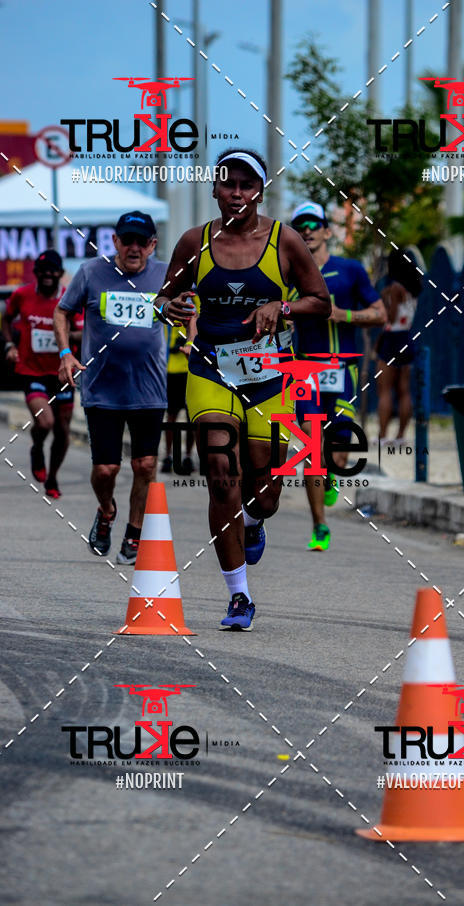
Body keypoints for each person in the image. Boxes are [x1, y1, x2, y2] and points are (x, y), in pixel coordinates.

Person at [155, 149, 330, 631]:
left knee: (265, 496)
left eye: (246, 183)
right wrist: (170, 305)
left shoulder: (285, 240)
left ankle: (252, 523)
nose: (237, 191)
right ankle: (238, 597)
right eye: (228, 183)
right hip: (210, 372)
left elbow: (321, 301)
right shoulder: (195, 241)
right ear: (214, 190)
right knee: (219, 473)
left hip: (269, 378)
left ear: (260, 189)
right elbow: (164, 296)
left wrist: (284, 308)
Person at [53, 211, 167, 564]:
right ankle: (106, 511)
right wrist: (65, 354)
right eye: (126, 240)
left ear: (152, 244)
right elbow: (62, 312)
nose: (133, 248)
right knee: (106, 470)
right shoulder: (91, 271)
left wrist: (191, 338)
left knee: (145, 465)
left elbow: (190, 307)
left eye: (141, 241)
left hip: (149, 388)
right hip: (103, 389)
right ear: (115, 241)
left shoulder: (165, 274)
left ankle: (134, 532)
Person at [289, 201, 386, 552]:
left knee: (340, 452)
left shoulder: (350, 270)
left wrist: (343, 315)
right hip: (306, 371)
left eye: (314, 224)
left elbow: (380, 314)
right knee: (313, 449)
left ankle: (331, 472)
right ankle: (319, 527)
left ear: (328, 232)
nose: (308, 230)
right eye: (300, 226)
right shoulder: (289, 275)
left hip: (344, 370)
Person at [2, 250, 79, 499]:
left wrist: (63, 335)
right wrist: (10, 345)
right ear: (36, 272)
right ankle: (37, 446)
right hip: (31, 370)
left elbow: (83, 331)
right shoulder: (22, 295)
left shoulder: (70, 298)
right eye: (42, 270)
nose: (47, 274)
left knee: (63, 431)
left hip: (62, 373)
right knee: (45, 421)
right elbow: (6, 319)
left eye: (52, 270)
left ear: (59, 273)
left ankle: (53, 476)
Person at [376, 248, 422, 444]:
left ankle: (383, 435)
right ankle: (401, 435)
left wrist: (385, 302)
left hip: (392, 339)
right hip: (406, 337)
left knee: (384, 390)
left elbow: (391, 317)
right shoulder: (412, 288)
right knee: (404, 390)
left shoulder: (395, 288)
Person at [161, 304, 198, 476]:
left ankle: (188, 456)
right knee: (172, 415)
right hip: (171, 369)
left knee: (192, 418)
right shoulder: (170, 301)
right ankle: (168, 456)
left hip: (191, 369)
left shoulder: (198, 299)